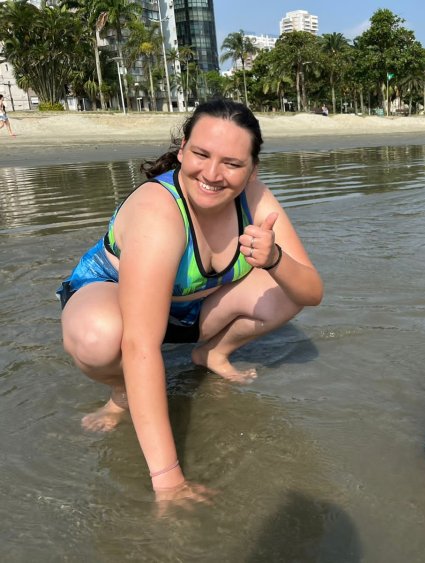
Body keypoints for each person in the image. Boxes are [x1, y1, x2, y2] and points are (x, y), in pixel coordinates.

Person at [57, 99, 324, 504]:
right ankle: (121, 393)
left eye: (232, 164)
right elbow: (140, 344)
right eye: (201, 154)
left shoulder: (256, 198)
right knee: (100, 338)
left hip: (188, 308)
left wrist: (274, 260)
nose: (212, 175)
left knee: (283, 292)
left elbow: (311, 292)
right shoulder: (157, 211)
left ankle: (213, 354)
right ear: (182, 149)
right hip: (110, 298)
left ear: (253, 168)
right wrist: (168, 480)